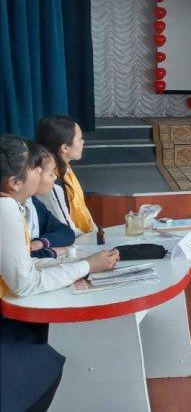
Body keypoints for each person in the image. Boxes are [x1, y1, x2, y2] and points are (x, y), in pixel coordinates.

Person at [1, 136, 119, 411]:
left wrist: (73, 262)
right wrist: (87, 266)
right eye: (35, 167)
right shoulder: (5, 209)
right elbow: (25, 284)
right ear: (14, 182)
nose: (42, 173)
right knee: (42, 368)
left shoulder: (14, 205)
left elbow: (23, 267)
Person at [34, 116, 95, 236]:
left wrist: (96, 232)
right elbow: (67, 230)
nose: (83, 142)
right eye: (80, 139)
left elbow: (83, 210)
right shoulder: (50, 181)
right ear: (64, 148)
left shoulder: (66, 169)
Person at [27, 145, 75, 259]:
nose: (55, 177)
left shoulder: (33, 202)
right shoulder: (8, 208)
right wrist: (51, 252)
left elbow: (66, 233)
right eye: (50, 173)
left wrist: (41, 243)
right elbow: (18, 256)